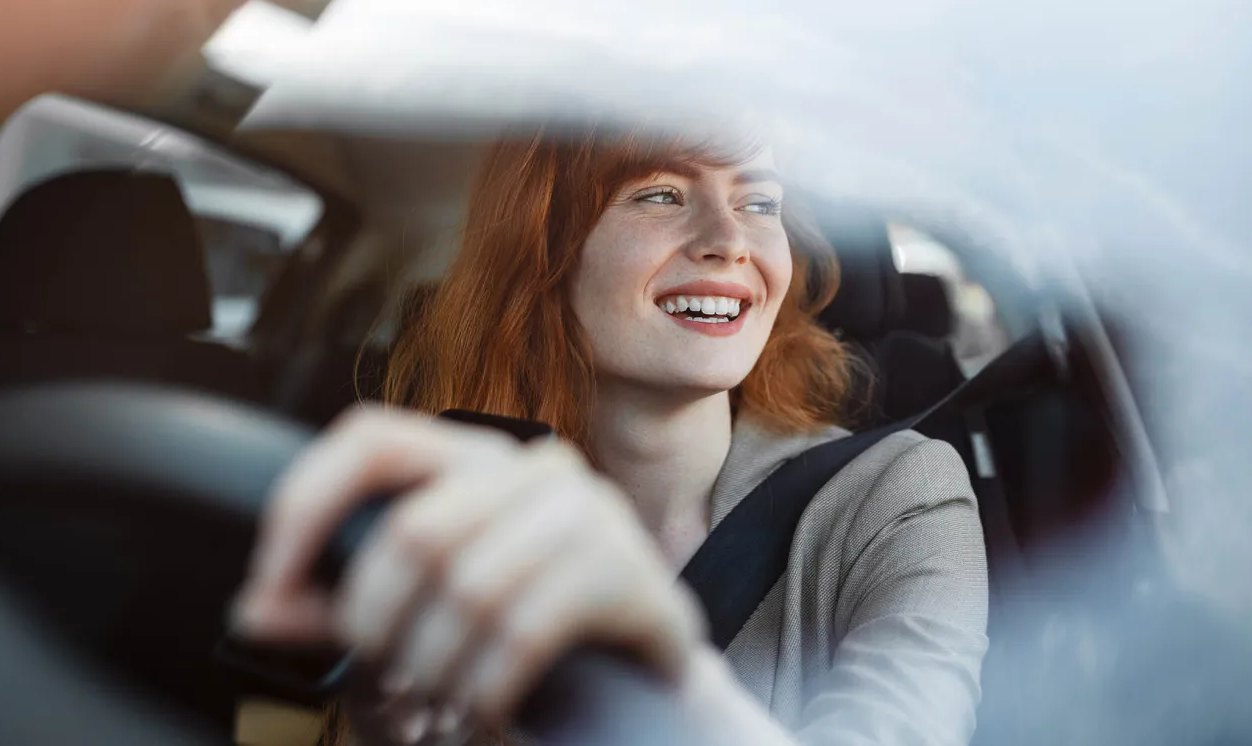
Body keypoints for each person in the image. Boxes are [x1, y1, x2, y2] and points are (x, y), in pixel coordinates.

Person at [232, 129, 989, 746]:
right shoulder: (441, 505)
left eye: (759, 202)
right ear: (546, 256)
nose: (730, 241)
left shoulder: (901, 494)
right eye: (659, 194)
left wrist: (663, 674)